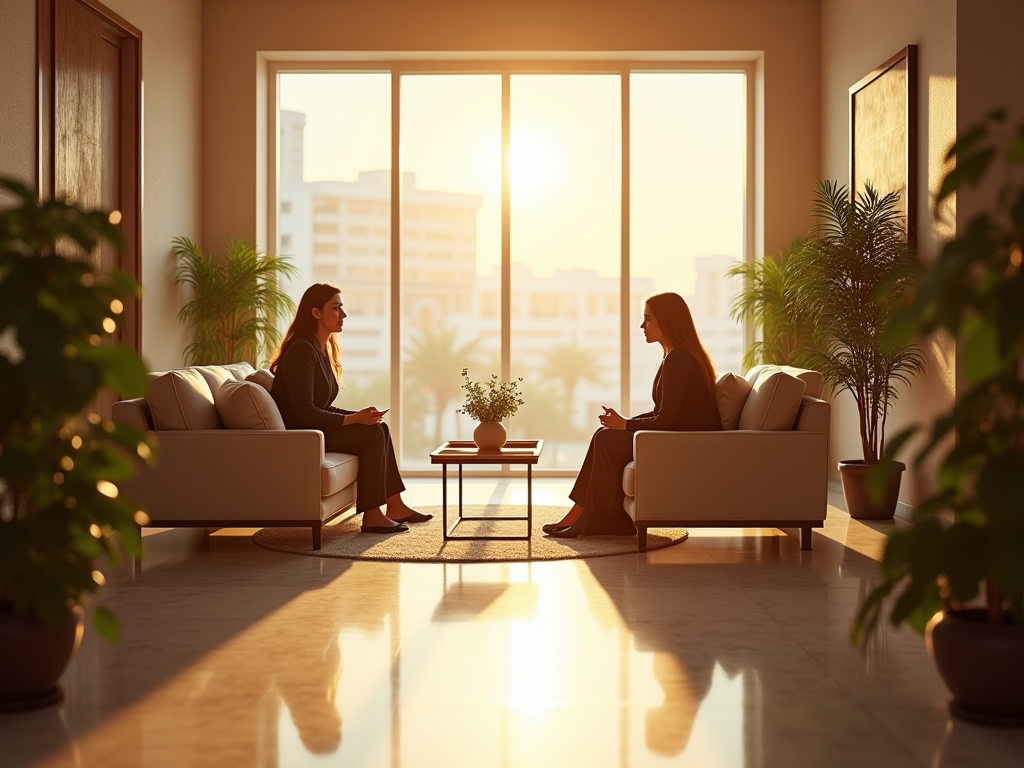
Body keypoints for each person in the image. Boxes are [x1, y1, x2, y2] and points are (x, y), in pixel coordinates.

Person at [545, 292, 722, 538]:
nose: (642, 326)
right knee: (605, 434)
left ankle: (589, 519)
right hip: (677, 438)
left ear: (668, 321)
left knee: (606, 439)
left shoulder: (678, 360)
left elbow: (666, 421)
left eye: (648, 319)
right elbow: (662, 412)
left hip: (684, 444)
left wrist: (625, 424)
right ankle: (581, 514)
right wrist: (622, 423)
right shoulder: (672, 356)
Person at [270, 283, 430, 534]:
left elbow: (322, 406)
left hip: (315, 428)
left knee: (380, 427)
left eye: (341, 308)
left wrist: (360, 416)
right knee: (373, 434)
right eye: (335, 308)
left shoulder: (319, 349)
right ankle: (373, 516)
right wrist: (355, 418)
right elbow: (304, 413)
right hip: (303, 434)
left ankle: (395, 505)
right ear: (316, 313)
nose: (343, 315)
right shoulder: (302, 350)